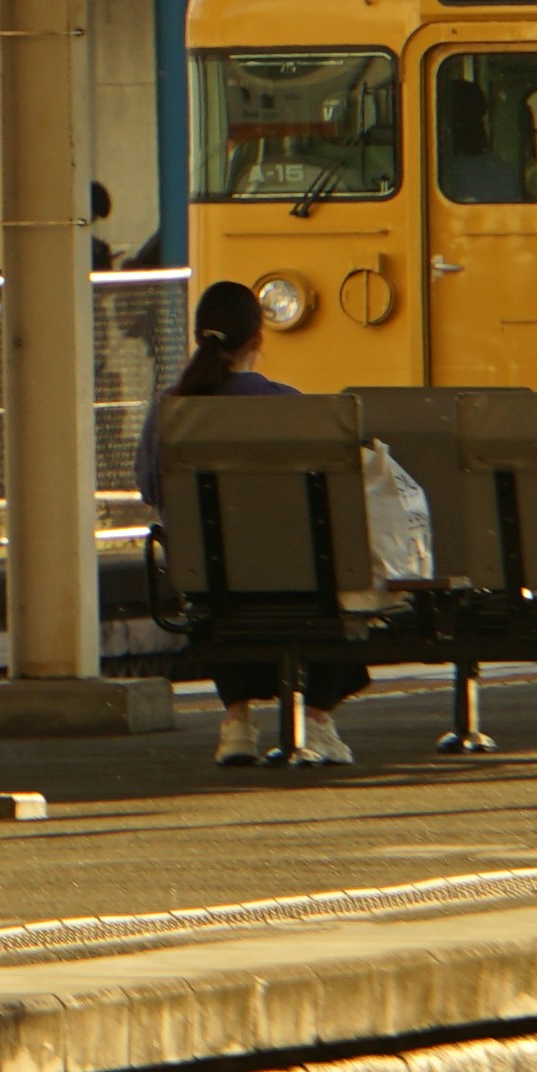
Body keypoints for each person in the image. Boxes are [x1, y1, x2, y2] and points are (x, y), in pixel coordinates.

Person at [133, 279, 367, 766]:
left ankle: (237, 722)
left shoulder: (168, 411)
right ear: (257, 339)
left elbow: (152, 491)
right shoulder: (293, 406)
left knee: (223, 586)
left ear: (200, 337)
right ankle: (319, 718)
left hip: (210, 582)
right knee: (338, 583)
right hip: (302, 578)